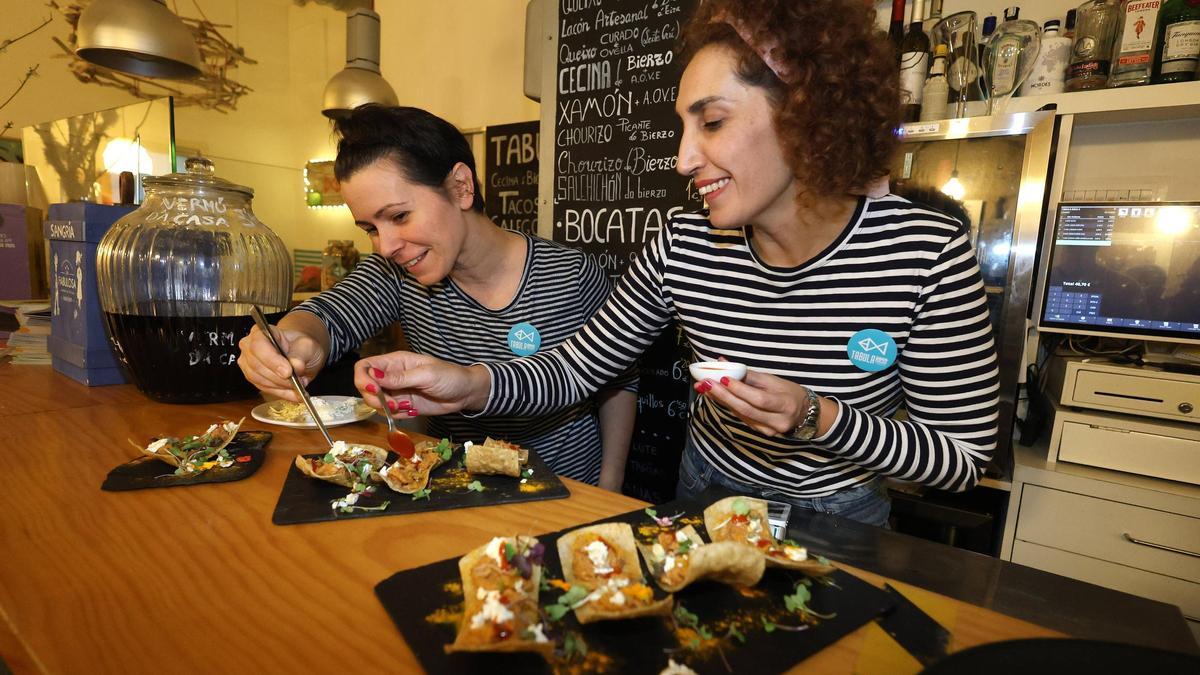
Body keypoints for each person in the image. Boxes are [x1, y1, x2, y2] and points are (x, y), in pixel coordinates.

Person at [353, 0, 1000, 527]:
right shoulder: (683, 244)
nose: (683, 158)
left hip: (838, 518)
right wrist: (468, 383)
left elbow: (961, 460)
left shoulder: (926, 252)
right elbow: (577, 369)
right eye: (682, 128)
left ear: (809, 112)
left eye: (712, 122)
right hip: (701, 495)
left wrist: (820, 417)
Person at [237, 105, 637, 490]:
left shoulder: (569, 274)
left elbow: (617, 382)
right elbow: (328, 316)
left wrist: (611, 481)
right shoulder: (396, 274)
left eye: (398, 216)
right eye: (370, 228)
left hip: (565, 489)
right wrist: (291, 341)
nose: (386, 246)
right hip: (449, 487)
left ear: (460, 187)